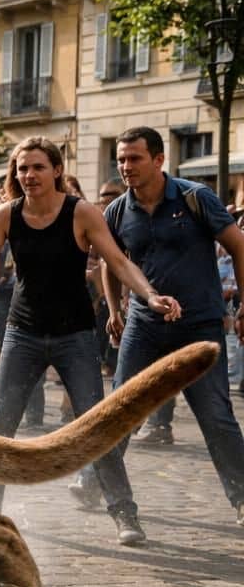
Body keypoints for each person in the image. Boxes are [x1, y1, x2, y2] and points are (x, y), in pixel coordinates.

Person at [0, 136, 179, 546]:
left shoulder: (81, 212)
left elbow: (118, 262)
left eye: (38, 167)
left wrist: (149, 296)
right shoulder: (6, 215)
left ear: (57, 170)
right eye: (22, 168)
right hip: (23, 332)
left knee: (96, 427)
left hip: (75, 335)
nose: (29, 175)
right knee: (1, 424)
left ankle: (124, 514)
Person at [101, 126, 244, 526]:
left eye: (135, 158)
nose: (126, 167)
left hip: (199, 326)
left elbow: (239, 246)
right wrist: (115, 310)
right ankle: (96, 484)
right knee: (120, 408)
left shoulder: (195, 197)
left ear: (159, 159)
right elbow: (113, 263)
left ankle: (242, 498)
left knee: (216, 415)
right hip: (144, 326)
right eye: (121, 159)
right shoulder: (116, 211)